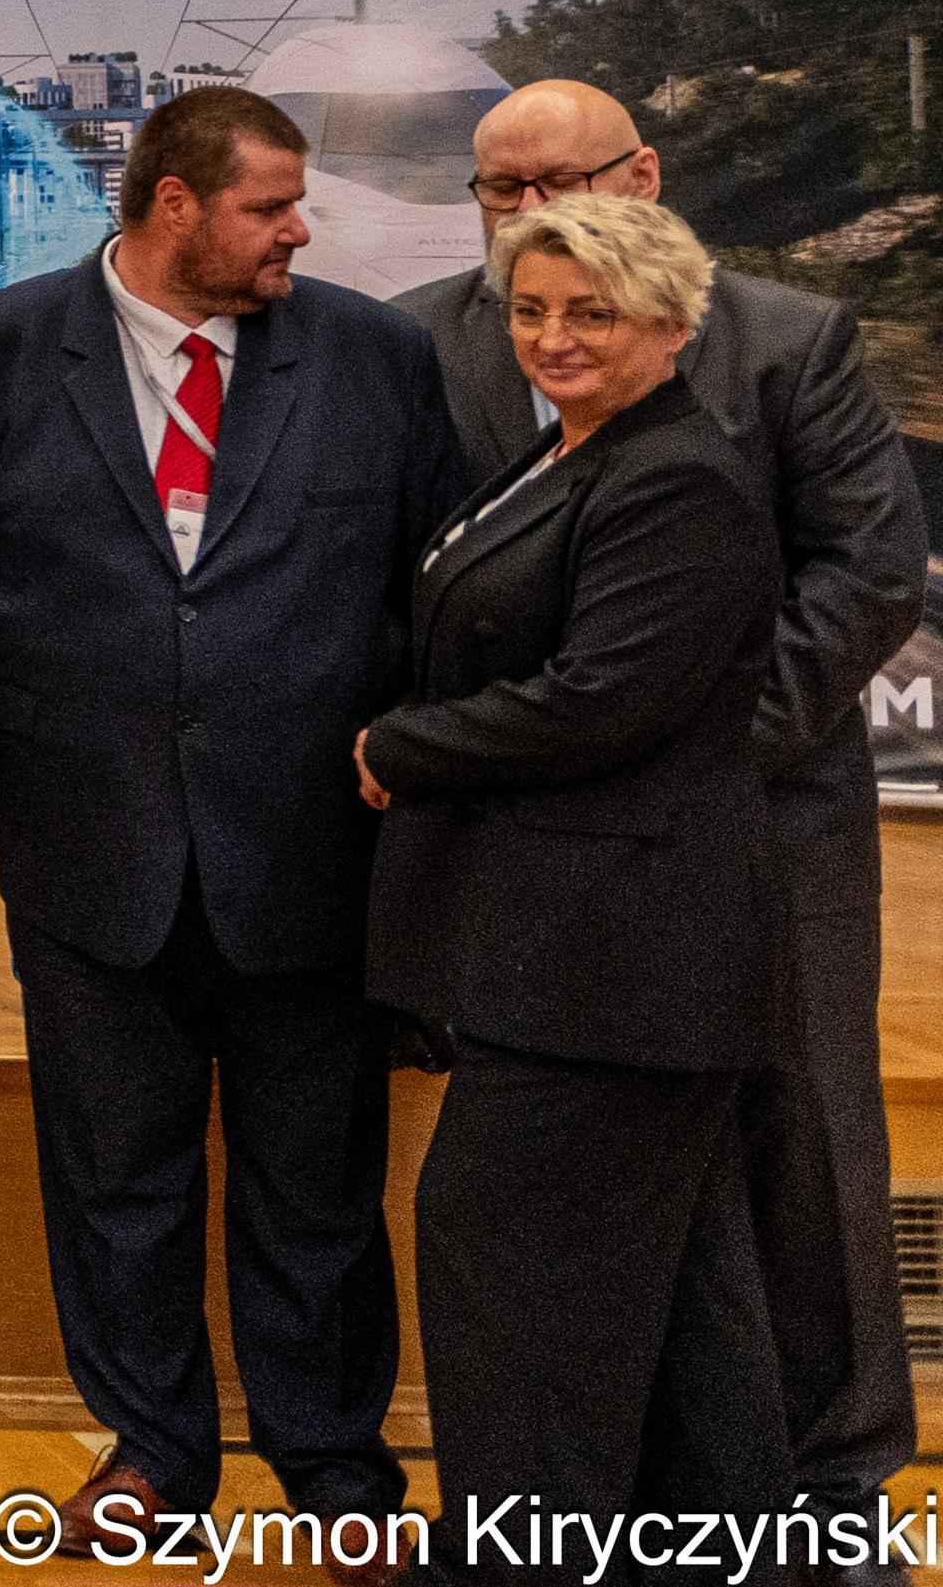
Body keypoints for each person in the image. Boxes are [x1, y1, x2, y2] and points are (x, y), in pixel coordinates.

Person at [0, 86, 462, 1566]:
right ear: (174, 206)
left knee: (317, 1185)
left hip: (314, 846)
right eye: (270, 205)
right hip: (84, 840)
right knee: (115, 1175)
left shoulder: (375, 356)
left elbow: (437, 589)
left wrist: (426, 773)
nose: (300, 230)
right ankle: (152, 1449)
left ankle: (332, 1465)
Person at [394, 79, 919, 1530]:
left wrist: (681, 744)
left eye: (560, 180)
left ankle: (840, 1489)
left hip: (762, 815)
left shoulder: (786, 338)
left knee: (804, 1145)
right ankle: (655, 1506)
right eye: (501, 190)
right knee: (613, 1202)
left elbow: (868, 573)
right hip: (534, 847)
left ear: (645, 175)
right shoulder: (421, 340)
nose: (529, 213)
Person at [360, 191, 792, 1573]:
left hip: (616, 968)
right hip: (584, 959)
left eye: (591, 313)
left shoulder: (679, 479)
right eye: (533, 310)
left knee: (511, 1265)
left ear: (670, 321)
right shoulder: (565, 454)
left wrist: (398, 746)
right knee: (684, 1304)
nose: (554, 337)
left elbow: (600, 700)